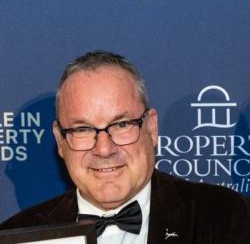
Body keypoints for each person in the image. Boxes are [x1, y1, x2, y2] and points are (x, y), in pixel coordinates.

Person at [0, 50, 249, 244]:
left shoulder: (226, 218)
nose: (104, 149)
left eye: (121, 124)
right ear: (60, 141)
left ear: (151, 128)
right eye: (83, 129)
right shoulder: (16, 235)